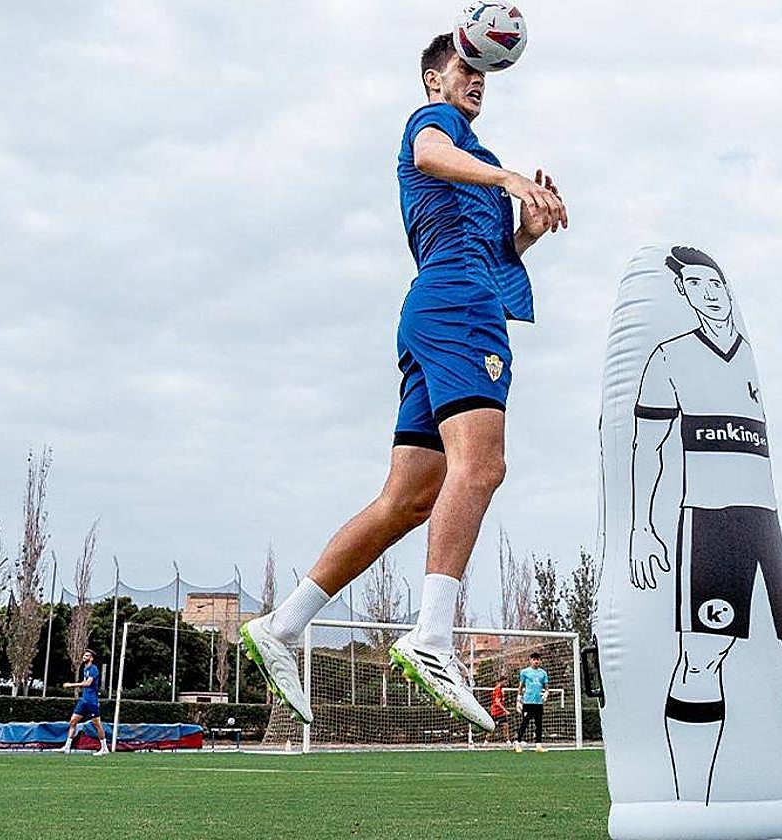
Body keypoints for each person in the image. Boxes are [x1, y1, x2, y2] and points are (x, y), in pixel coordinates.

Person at [240, 33, 567, 730]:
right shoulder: (436, 125)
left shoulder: (472, 162)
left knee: (408, 500)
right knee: (481, 467)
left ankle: (284, 624)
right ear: (432, 78)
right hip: (456, 309)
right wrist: (510, 179)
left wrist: (529, 232)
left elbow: (487, 249)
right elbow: (426, 152)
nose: (477, 79)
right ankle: (432, 638)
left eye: (484, 73)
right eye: (464, 67)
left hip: (439, 308)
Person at [628, 246, 782, 802]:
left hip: (764, 523)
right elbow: (646, 446)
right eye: (695, 285)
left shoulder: (750, 356)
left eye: (713, 282)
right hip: (711, 523)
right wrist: (640, 528)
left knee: (781, 654)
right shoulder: (669, 357)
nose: (709, 292)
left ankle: (763, 794)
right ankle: (690, 802)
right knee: (701, 656)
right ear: (685, 297)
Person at [60, 648, 109, 756]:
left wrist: (71, 685)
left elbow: (87, 683)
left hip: (92, 701)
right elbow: (84, 682)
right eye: (84, 655)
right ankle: (67, 747)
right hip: (84, 700)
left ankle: (104, 748)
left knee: (97, 724)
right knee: (73, 721)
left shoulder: (93, 669)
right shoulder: (85, 669)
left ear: (91, 658)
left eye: (86, 656)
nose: (84, 657)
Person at [515, 652, 549, 753]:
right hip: (528, 702)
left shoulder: (543, 673)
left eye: (538, 659)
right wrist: (518, 700)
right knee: (525, 723)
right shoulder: (525, 672)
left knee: (539, 724)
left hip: (538, 703)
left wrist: (546, 693)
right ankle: (517, 742)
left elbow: (546, 687)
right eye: (534, 659)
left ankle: (538, 745)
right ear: (530, 660)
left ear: (540, 661)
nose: (536, 661)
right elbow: (521, 686)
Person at [487, 678, 510, 744]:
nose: (506, 683)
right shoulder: (497, 689)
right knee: (492, 727)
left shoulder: (501, 689)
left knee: (505, 726)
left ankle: (507, 741)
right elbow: (497, 702)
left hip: (501, 712)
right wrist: (505, 710)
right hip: (496, 712)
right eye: (505, 682)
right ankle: (486, 741)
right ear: (501, 681)